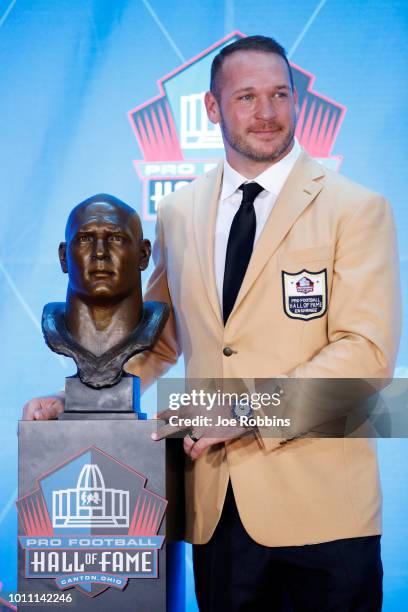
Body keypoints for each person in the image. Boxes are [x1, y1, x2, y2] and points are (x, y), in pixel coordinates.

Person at [24, 36, 401, 611]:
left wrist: (246, 411)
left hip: (325, 514)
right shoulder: (179, 210)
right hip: (215, 508)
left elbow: (367, 354)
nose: (268, 113)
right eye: (247, 97)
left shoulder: (356, 208)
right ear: (212, 108)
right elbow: (161, 334)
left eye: (280, 95)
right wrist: (77, 400)